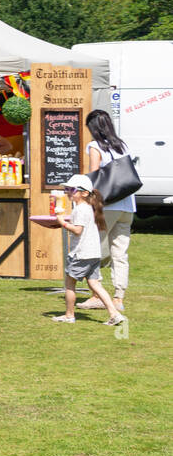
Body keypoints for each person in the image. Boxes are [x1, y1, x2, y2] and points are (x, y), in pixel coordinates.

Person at [52, 175, 125, 325]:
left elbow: (78, 230)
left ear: (84, 193)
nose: (68, 192)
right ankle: (114, 313)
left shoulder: (80, 209)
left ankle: (69, 315)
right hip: (93, 254)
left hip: (80, 254)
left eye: (72, 189)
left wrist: (62, 223)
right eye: (66, 189)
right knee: (95, 284)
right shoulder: (88, 208)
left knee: (70, 284)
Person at [81, 109, 135, 312]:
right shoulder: (123, 144)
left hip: (108, 206)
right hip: (127, 205)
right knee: (120, 253)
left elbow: (94, 177)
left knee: (95, 248)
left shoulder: (94, 146)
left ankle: (97, 295)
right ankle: (118, 298)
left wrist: (88, 201)